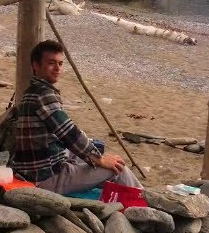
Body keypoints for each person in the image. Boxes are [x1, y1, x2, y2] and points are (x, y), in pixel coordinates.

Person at [10, 39, 141, 194]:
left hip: (34, 169)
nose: (57, 68)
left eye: (60, 63)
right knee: (118, 168)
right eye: (51, 63)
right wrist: (99, 159)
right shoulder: (44, 95)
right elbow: (68, 132)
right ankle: (145, 202)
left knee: (88, 148)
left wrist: (92, 153)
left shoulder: (31, 92)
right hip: (44, 178)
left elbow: (61, 133)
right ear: (36, 65)